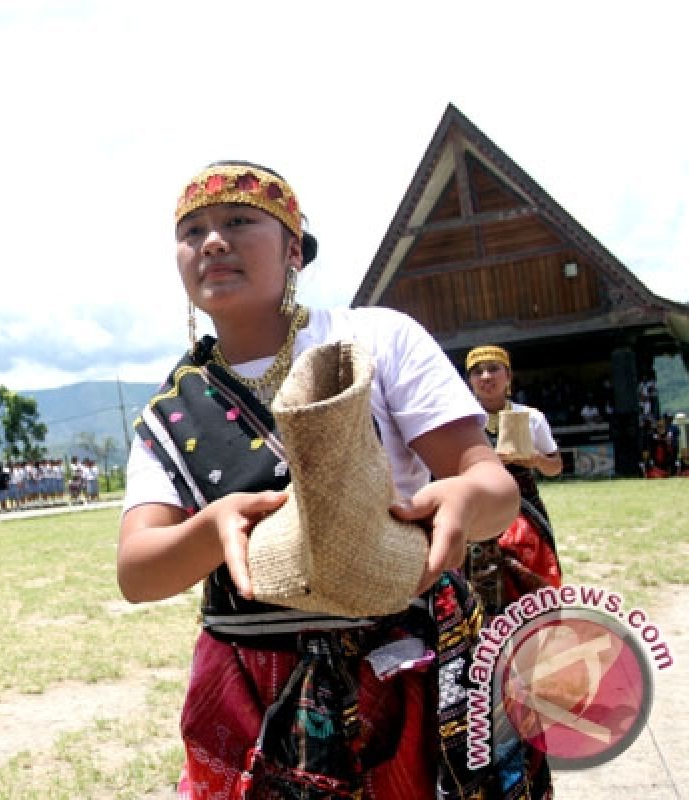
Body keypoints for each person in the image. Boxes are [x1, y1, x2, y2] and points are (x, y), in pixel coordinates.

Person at [117, 161, 538, 798]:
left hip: (403, 662)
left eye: (237, 221)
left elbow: (491, 483)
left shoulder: (376, 338)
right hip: (251, 685)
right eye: (192, 231)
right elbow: (137, 571)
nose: (212, 241)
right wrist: (213, 527)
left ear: (294, 250)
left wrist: (465, 498)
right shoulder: (171, 412)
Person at [465, 345, 564, 613]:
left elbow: (556, 466)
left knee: (526, 554)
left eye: (493, 369)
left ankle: (531, 629)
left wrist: (537, 460)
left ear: (508, 376)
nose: (486, 376)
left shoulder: (532, 418)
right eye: (477, 371)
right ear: (470, 380)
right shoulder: (461, 420)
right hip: (476, 502)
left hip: (523, 504)